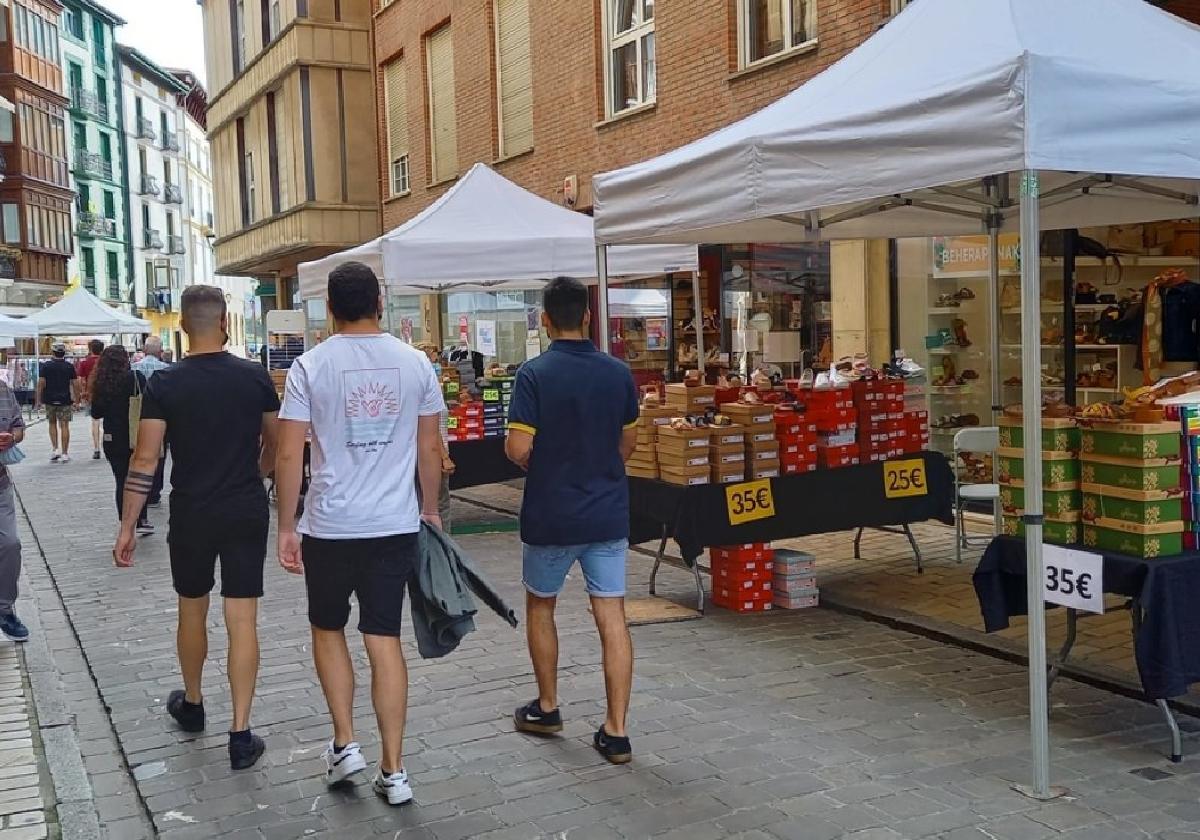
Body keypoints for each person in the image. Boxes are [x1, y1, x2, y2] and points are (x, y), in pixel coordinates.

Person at [276, 261, 444, 806]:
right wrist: (433, 511)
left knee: (328, 630)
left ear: (329, 308)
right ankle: (394, 770)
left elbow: (287, 450)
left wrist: (285, 523)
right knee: (384, 638)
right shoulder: (415, 363)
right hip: (393, 524)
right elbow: (429, 448)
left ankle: (346, 742)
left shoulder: (309, 366)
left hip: (329, 524)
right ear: (380, 303)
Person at [113, 285, 279, 771]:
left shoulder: (164, 384)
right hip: (245, 507)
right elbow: (276, 444)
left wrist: (128, 525)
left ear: (183, 326)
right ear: (225, 320)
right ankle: (241, 732)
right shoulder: (254, 377)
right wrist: (259, 473)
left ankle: (192, 703)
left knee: (192, 609)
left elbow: (146, 459)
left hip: (192, 511)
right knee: (242, 618)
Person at [505, 276, 639, 765]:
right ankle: (617, 730)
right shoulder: (618, 373)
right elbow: (628, 445)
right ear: (587, 316)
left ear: (544, 320)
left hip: (552, 513)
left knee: (542, 607)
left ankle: (547, 706)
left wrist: (542, 458)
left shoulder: (534, 374)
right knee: (612, 616)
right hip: (607, 513)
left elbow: (519, 447)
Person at [90, 347, 153, 537]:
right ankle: (141, 518)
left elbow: (96, 412)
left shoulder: (102, 383)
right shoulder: (135, 378)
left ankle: (125, 521)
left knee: (121, 480)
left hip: (112, 437)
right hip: (136, 435)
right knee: (139, 478)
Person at [414, 341, 454, 529]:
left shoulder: (417, 386)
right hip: (432, 456)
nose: (438, 362)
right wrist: (444, 457)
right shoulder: (427, 387)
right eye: (434, 357)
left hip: (420, 454)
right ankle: (442, 548)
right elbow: (431, 429)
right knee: (440, 505)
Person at [0, 378, 27, 642]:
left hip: (0, 484)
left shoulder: (3, 390)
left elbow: (19, 427)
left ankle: (4, 609)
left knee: (10, 544)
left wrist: (12, 438)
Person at [133, 337, 171, 507]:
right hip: (162, 417)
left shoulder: (134, 369)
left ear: (145, 350)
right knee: (160, 454)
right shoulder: (167, 370)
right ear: (159, 351)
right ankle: (155, 491)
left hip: (139, 416)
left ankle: (143, 491)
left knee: (141, 453)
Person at [35, 343, 79, 463]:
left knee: (52, 423)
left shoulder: (46, 366)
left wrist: (38, 400)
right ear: (64, 353)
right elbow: (75, 384)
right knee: (64, 425)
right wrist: (77, 400)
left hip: (49, 399)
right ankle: (65, 453)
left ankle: (55, 450)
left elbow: (41, 384)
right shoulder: (69, 366)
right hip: (65, 400)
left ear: (53, 352)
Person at [76, 339, 104, 460]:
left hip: (92, 394)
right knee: (108, 420)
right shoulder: (105, 362)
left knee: (95, 421)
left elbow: (81, 380)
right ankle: (108, 442)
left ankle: (97, 448)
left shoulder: (84, 363)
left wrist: (82, 394)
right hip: (106, 393)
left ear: (90, 349)